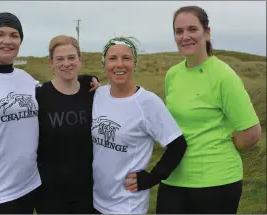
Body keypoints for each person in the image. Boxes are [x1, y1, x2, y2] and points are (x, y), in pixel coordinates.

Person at [0, 13, 97, 214]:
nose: (7, 41)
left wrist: (89, 79)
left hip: (31, 186)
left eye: (14, 35)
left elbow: (60, 86)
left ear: (20, 41)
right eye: (0, 34)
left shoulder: (27, 81)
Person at [155, 6, 262, 214]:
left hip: (217, 182)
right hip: (174, 177)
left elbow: (251, 132)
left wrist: (216, 145)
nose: (185, 36)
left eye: (192, 29)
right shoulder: (173, 75)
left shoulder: (224, 76)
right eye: (179, 31)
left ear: (207, 32)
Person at [91, 37, 188, 214]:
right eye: (112, 59)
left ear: (135, 63)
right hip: (96, 202)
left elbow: (178, 145)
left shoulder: (148, 102)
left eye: (126, 58)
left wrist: (151, 178)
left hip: (128, 206)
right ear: (104, 64)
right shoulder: (99, 94)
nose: (119, 64)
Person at [35, 35, 96, 214]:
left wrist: (89, 79)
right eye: (59, 59)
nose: (66, 63)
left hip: (89, 190)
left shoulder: (93, 92)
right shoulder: (39, 96)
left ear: (80, 59)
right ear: (51, 63)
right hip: (50, 193)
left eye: (71, 57)